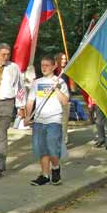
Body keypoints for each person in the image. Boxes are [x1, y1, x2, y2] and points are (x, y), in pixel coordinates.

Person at [25, 56, 69, 186]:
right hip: (39, 120)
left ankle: (55, 168)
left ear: (54, 66)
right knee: (41, 149)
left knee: (52, 148)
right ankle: (45, 175)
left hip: (54, 120)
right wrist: (28, 116)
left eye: (47, 65)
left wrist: (56, 88)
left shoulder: (60, 82)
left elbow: (65, 101)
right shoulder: (37, 82)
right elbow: (30, 101)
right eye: (42, 65)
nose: (43, 68)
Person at [0, 43, 26, 178]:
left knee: (1, 134)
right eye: (3, 54)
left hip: (6, 103)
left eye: (8, 54)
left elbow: (20, 87)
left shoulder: (14, 67)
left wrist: (21, 106)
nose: (5, 57)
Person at [54, 52, 71, 144]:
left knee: (64, 121)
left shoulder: (68, 70)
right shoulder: (54, 71)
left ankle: (63, 140)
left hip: (65, 99)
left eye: (65, 59)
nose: (64, 60)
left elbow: (71, 86)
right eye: (62, 59)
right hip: (54, 100)